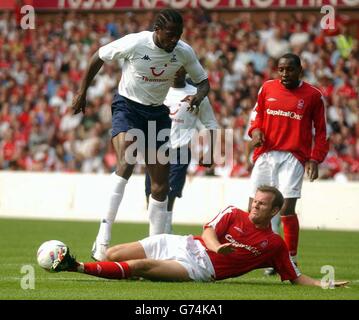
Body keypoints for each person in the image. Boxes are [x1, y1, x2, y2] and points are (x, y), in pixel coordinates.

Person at [71, 9, 210, 261]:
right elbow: (98, 56)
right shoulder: (135, 42)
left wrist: (198, 97)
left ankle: (154, 252)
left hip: (157, 113)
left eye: (178, 36)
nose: (173, 41)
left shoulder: (183, 51)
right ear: (157, 30)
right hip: (127, 107)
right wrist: (82, 93)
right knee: (127, 160)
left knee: (160, 185)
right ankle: (102, 239)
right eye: (169, 35)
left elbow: (203, 81)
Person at [49, 185, 348, 288]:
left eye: (261, 204)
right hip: (181, 243)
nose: (254, 206)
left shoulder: (274, 245)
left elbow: (295, 277)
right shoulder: (234, 212)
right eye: (254, 201)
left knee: (141, 266)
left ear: (274, 211)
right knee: (112, 254)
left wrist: (324, 283)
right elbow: (208, 230)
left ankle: (74, 266)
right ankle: (126, 272)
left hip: (199, 269)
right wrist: (219, 246)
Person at [248, 53, 329, 275]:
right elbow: (256, 117)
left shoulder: (313, 95)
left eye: (290, 69)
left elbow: (322, 131)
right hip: (265, 155)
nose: (285, 74)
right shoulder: (267, 88)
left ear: (300, 70)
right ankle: (260, 257)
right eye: (281, 69)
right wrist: (255, 132)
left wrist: (315, 157)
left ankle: (291, 259)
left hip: (293, 157)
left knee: (286, 208)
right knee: (255, 209)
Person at [144, 66, 218, 234]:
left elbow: (211, 124)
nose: (176, 70)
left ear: (186, 68)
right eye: (173, 66)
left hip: (179, 151)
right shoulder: (156, 89)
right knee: (151, 197)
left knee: (168, 196)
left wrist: (209, 152)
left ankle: (163, 238)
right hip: (155, 151)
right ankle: (158, 238)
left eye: (180, 67)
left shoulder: (197, 94)